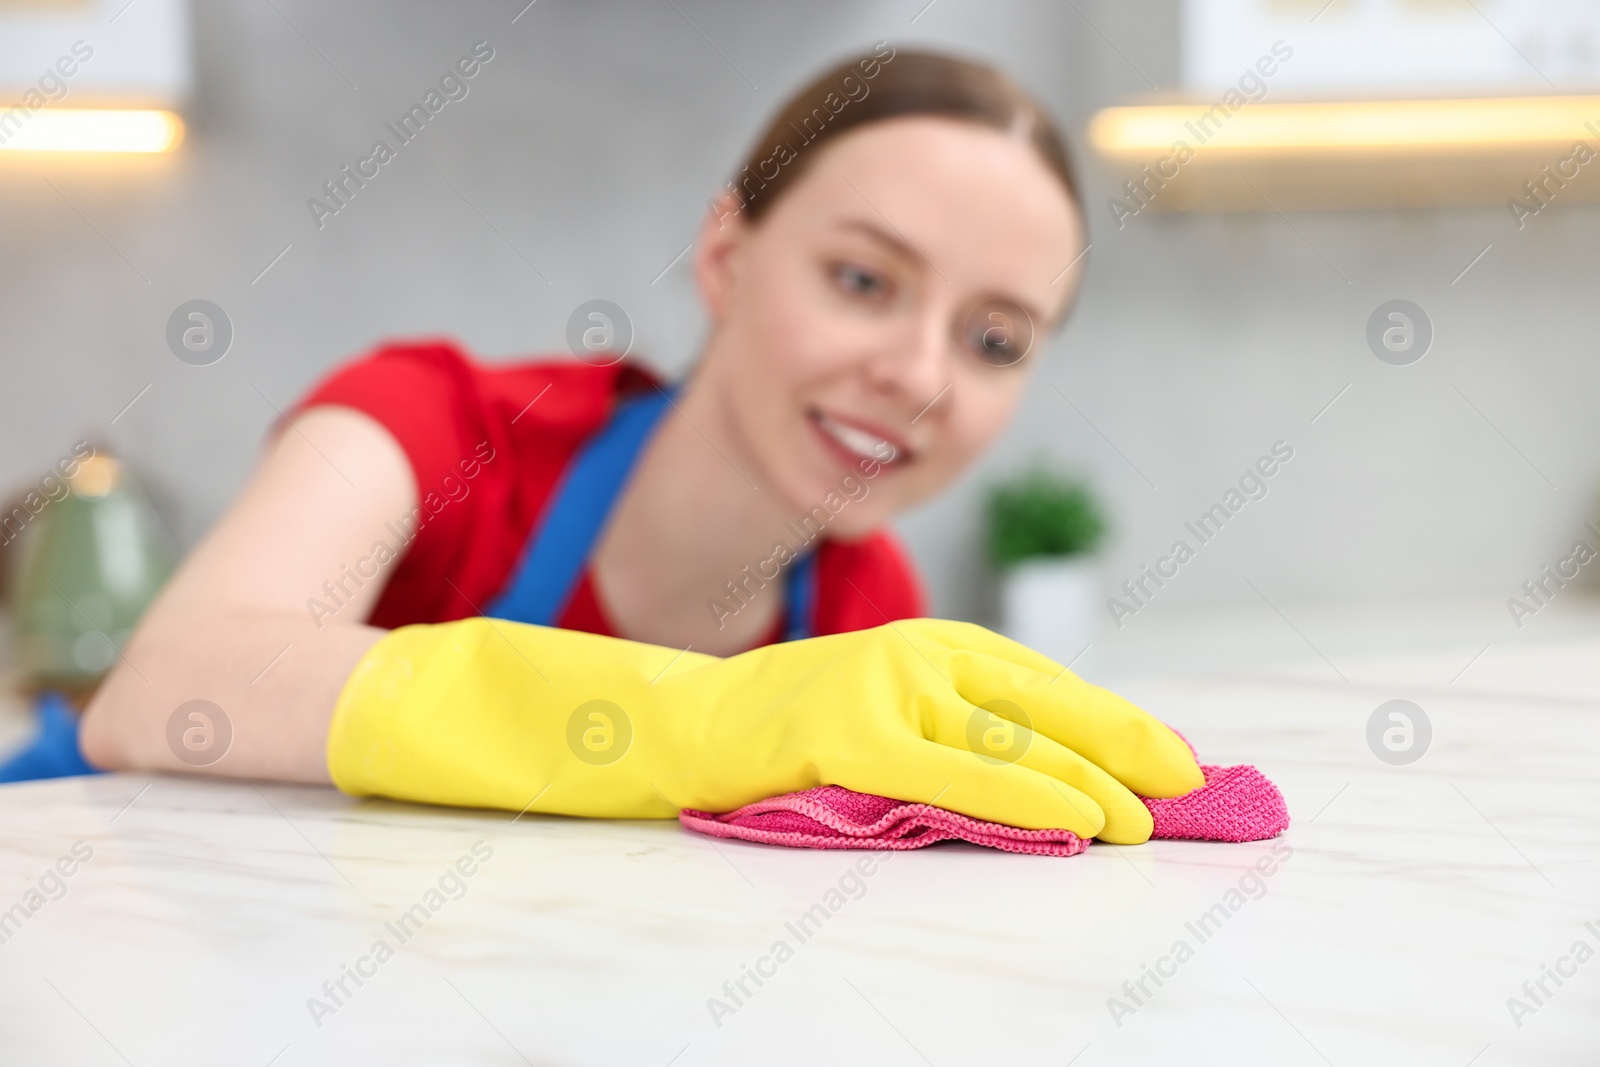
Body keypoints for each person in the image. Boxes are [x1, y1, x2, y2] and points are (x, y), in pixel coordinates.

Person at [79, 46, 1203, 843]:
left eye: (994, 339)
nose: (918, 373)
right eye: (862, 279)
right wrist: (706, 717)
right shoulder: (431, 427)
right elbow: (168, 685)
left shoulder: (865, 615)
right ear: (725, 255)